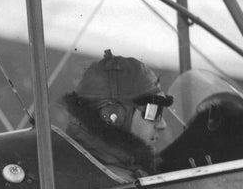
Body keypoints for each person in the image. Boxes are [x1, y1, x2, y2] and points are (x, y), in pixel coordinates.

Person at [60, 50, 173, 181]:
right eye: (153, 111)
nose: (162, 124)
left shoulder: (120, 171)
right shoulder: (113, 182)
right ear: (114, 116)